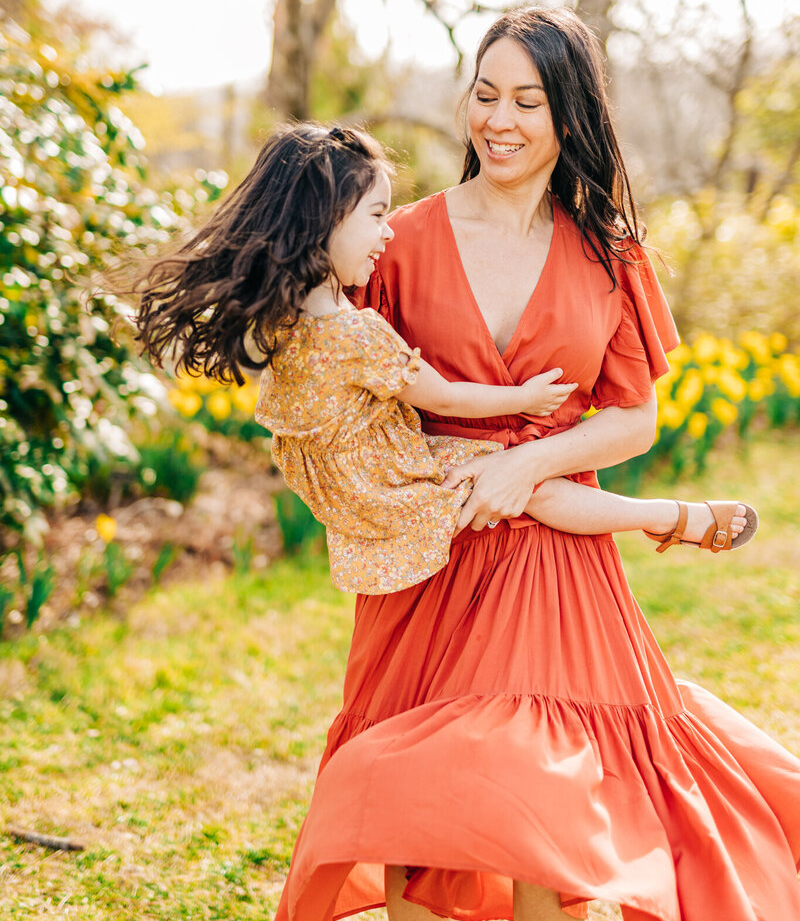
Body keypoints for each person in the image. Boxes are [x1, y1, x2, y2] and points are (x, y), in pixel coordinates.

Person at [266, 8, 800, 921]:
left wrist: (526, 464)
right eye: (484, 93)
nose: (499, 120)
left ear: (570, 115)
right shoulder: (402, 240)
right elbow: (342, 371)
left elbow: (632, 417)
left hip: (558, 554)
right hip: (432, 550)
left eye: (527, 99)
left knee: (556, 799)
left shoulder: (608, 251)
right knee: (415, 793)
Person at [134, 122, 755, 598]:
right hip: (401, 482)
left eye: (525, 101)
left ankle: (674, 517)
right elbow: (445, 397)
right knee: (531, 485)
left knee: (526, 477)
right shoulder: (359, 331)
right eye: (374, 216)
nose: (387, 232)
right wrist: (523, 401)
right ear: (322, 221)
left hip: (361, 500)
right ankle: (669, 517)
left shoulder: (283, 319)